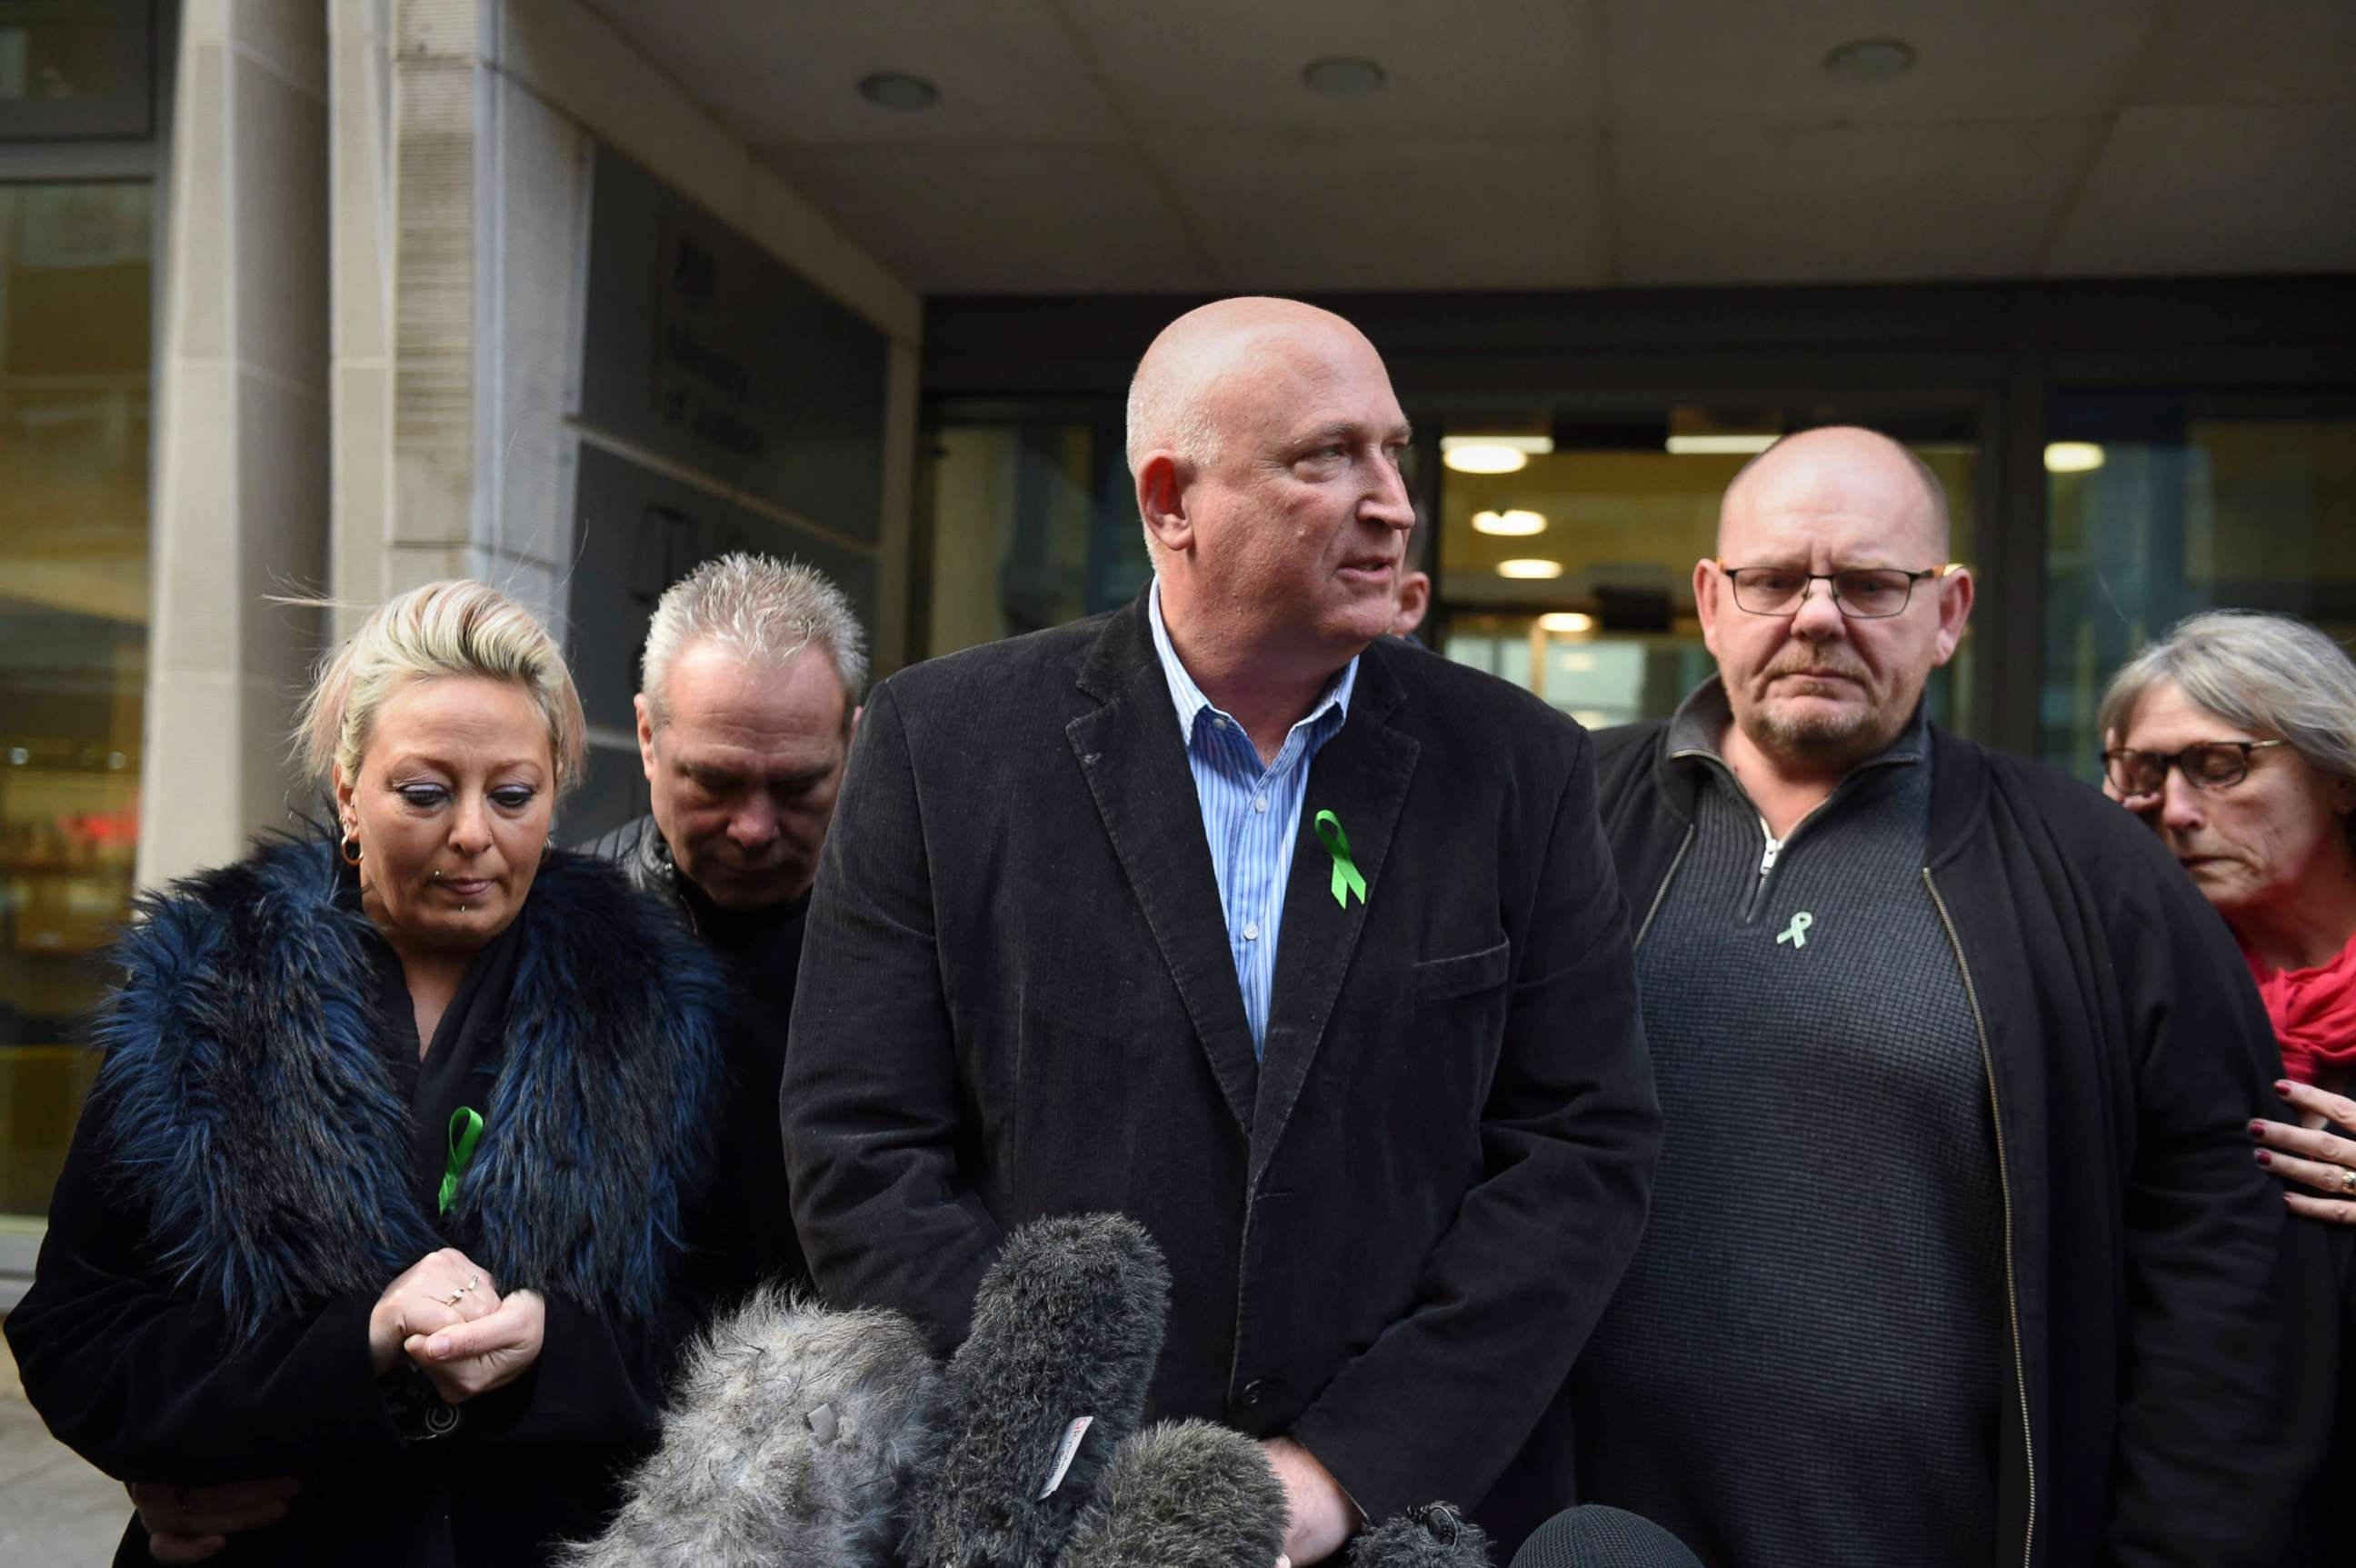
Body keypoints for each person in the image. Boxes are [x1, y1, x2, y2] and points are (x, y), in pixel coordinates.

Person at [782, 295, 1660, 1563]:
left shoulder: (1517, 765)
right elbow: (859, 1143)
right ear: (1170, 499)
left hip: (1408, 1517)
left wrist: (1340, 1471)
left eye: (1393, 452)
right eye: (1326, 456)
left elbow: (1582, 1151)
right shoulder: (946, 745)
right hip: (1054, 1523)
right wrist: (1086, 1456)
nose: (1392, 501)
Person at [1579, 426, 2325, 1566]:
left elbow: (2221, 1255)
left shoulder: (2094, 873)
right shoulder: (1556, 823)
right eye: (1775, 580)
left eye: (1874, 584)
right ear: (1713, 600)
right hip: (1581, 1536)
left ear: (1950, 612)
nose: (1817, 617)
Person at [5, 581, 726, 1566]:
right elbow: (77, 1330)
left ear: (556, 793)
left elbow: (724, 1330)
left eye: (512, 796)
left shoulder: (654, 1003)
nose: (472, 832)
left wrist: (558, 1350)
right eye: (425, 793)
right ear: (348, 791)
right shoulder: (208, 990)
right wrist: (361, 1343)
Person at [2098, 609, 2356, 1546]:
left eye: (2222, 767)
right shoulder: (2123, 993)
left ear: (2338, 773)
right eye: (2142, 774)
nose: (2176, 812)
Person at [583, 552, 865, 1293]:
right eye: (715, 780)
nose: (752, 827)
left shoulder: (929, 951)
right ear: (647, 739)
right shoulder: (555, 933)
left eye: (798, 785)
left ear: (854, 747)